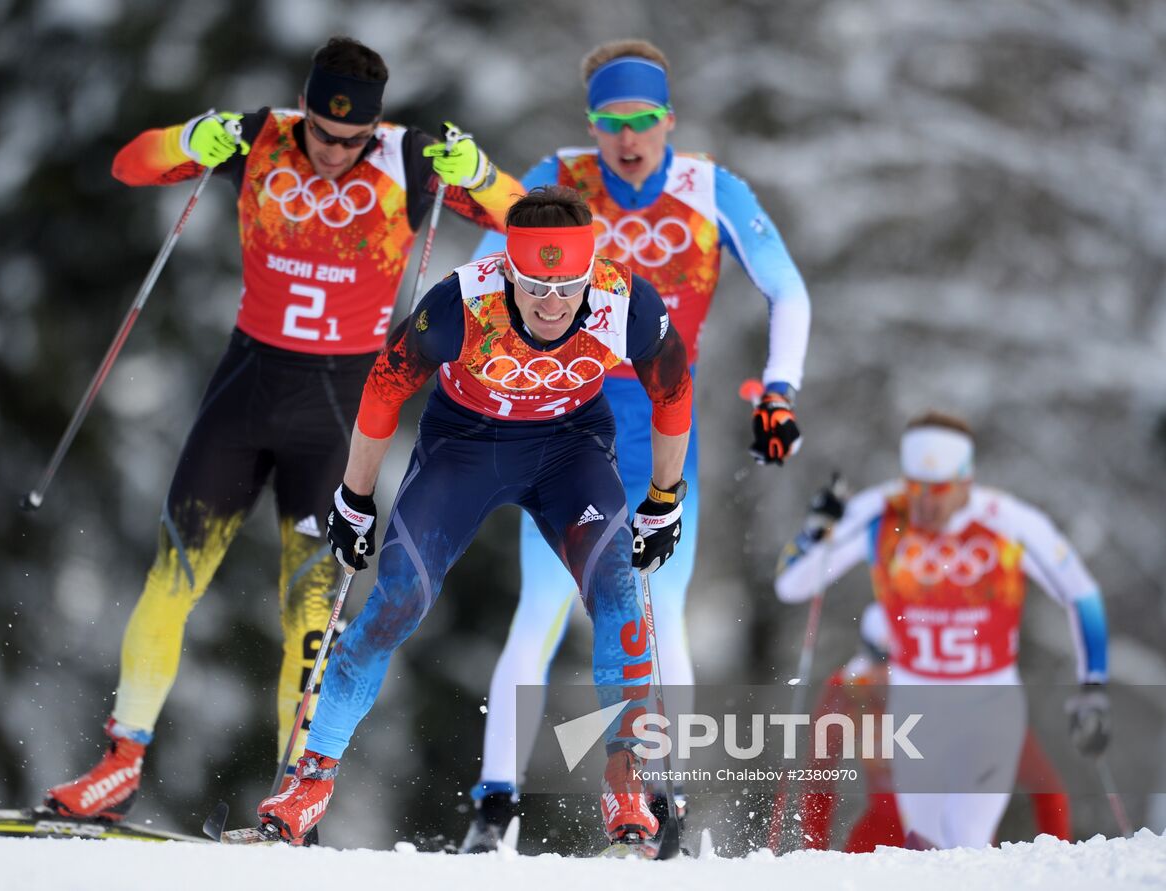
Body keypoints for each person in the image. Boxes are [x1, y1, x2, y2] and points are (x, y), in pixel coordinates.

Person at [44, 36, 522, 823]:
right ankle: (120, 764)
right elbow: (131, 165)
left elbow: (525, 223)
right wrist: (187, 140)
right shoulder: (257, 136)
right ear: (303, 108)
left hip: (336, 415)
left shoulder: (409, 159)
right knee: (172, 574)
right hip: (245, 391)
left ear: (374, 127)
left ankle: (289, 801)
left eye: (352, 139)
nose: (334, 152)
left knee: (310, 613)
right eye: (322, 133)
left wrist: (478, 173)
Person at [253, 185, 695, 849]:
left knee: (616, 591)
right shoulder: (461, 303)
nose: (551, 304)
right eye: (535, 286)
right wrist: (354, 497)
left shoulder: (626, 301)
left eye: (567, 286)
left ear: (589, 273)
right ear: (509, 272)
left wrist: (664, 499)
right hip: (465, 448)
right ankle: (310, 780)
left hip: (570, 449)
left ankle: (627, 779)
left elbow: (674, 392)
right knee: (399, 598)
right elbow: (383, 390)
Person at [464, 38, 811, 849]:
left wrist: (780, 390)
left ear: (669, 120)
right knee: (543, 608)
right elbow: (479, 277)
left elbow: (788, 290)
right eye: (611, 122)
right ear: (591, 125)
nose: (628, 139)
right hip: (563, 418)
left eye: (643, 120)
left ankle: (664, 801)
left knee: (661, 613)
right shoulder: (557, 180)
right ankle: (493, 810)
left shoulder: (709, 188)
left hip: (662, 427)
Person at [774, 412, 1110, 850]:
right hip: (916, 704)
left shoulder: (1007, 522)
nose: (925, 504)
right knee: (925, 843)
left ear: (965, 481)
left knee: (967, 836)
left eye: (938, 490)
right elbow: (792, 585)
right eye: (915, 487)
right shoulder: (882, 513)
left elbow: (1081, 594)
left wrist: (1093, 684)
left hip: (989, 700)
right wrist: (812, 532)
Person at [793, 605, 1073, 852]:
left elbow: (1047, 788)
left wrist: (1057, 861)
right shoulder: (849, 693)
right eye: (882, 662)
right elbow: (818, 779)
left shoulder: (968, 695)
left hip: (957, 843)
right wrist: (813, 855)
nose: (893, 676)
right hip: (882, 833)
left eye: (905, 667)